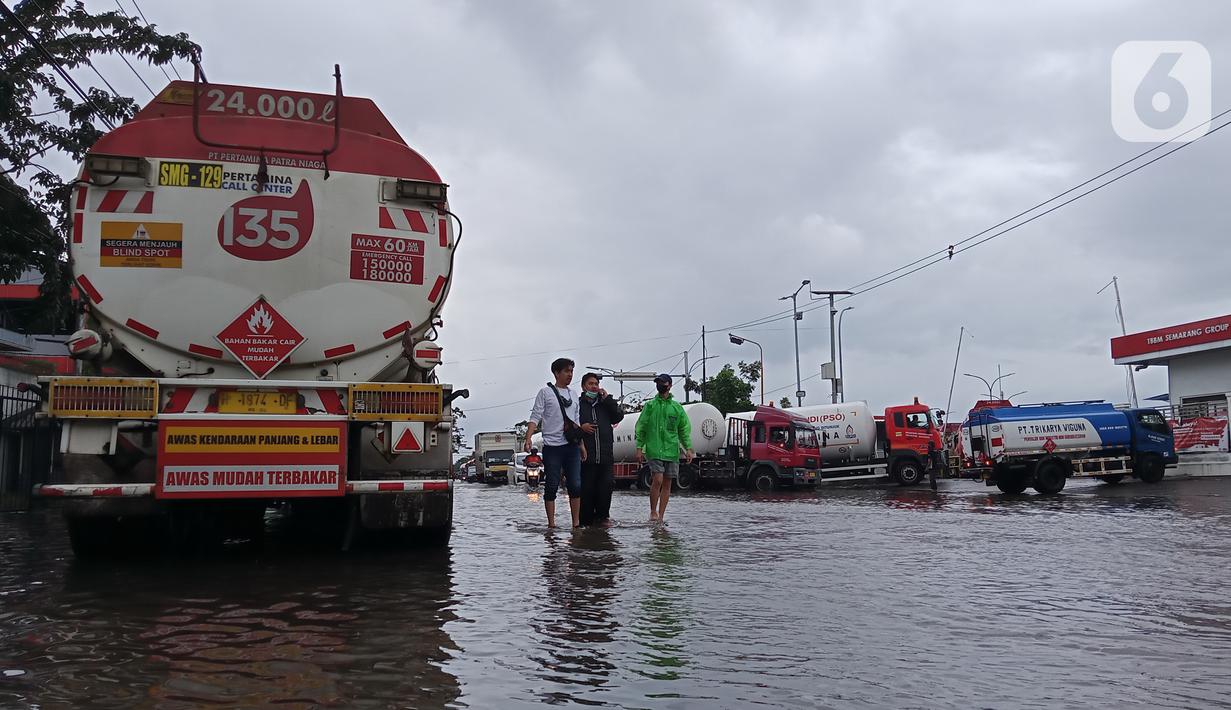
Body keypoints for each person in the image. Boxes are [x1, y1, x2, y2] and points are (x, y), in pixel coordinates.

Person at [525, 358, 586, 528]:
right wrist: (528, 437)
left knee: (575, 485)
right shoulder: (545, 393)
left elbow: (577, 421)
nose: (570, 374)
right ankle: (551, 525)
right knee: (551, 486)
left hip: (571, 446)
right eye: (566, 371)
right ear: (556, 373)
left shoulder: (574, 395)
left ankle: (575, 524)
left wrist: (581, 445)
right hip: (552, 447)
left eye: (571, 371)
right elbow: (536, 416)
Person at [635, 373, 693, 523]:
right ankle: (653, 511)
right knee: (658, 479)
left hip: (671, 450)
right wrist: (639, 447)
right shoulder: (650, 406)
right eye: (658, 383)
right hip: (654, 449)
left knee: (667, 483)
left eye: (663, 383)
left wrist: (688, 448)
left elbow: (683, 429)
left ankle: (661, 516)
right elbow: (641, 427)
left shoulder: (676, 408)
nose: (660, 385)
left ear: (670, 385)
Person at [578, 372, 624, 527]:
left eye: (596, 384)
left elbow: (618, 416)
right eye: (590, 384)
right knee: (587, 490)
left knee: (606, 488)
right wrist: (582, 428)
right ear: (583, 386)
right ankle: (585, 523)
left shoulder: (605, 404)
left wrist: (608, 399)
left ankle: (603, 518)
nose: (594, 387)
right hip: (586, 457)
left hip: (605, 455)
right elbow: (570, 425)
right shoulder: (578, 405)